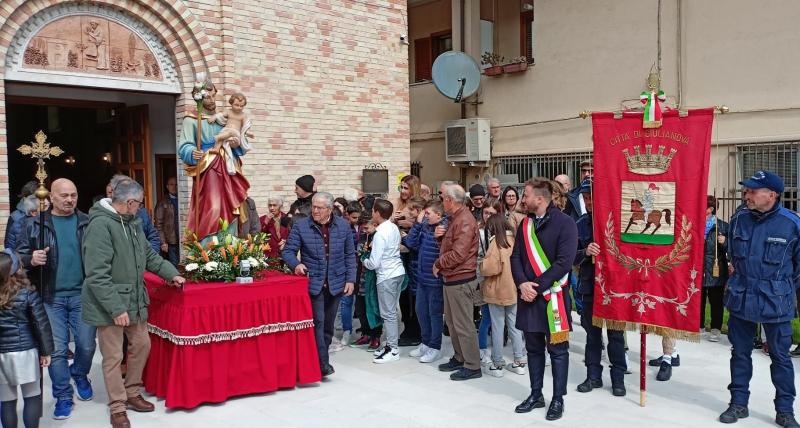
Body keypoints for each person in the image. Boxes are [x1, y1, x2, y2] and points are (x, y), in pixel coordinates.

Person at [82, 179, 184, 428]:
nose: (140, 207)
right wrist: (116, 308)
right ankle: (117, 406)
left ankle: (132, 392)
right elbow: (96, 274)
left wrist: (171, 273)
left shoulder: (133, 223)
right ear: (129, 202)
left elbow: (148, 255)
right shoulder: (100, 226)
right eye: (139, 203)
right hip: (109, 304)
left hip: (135, 299)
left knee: (142, 344)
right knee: (113, 356)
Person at [719, 171, 800, 427]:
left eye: (753, 191)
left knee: (781, 358)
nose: (747, 195)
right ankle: (738, 403)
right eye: (747, 191)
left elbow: (798, 268)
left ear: (772, 195)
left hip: (776, 300)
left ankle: (785, 411)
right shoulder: (739, 219)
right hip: (742, 296)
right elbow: (732, 253)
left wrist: (782, 288)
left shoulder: (791, 224)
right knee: (739, 354)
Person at [16, 179, 95, 420]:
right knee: (57, 350)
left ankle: (80, 374)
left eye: (74, 194)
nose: (70, 199)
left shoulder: (87, 222)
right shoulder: (34, 224)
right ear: (51, 197)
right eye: (64, 195)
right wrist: (31, 259)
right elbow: (16, 256)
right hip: (51, 298)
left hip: (83, 294)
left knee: (87, 345)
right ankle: (62, 394)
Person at [511, 178, 577, 421]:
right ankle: (536, 393)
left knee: (558, 351)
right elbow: (515, 257)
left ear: (539, 198)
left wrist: (535, 287)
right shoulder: (525, 224)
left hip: (553, 299)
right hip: (529, 297)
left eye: (526, 195)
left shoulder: (565, 223)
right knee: (533, 349)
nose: (522, 199)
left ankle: (558, 398)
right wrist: (521, 283)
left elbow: (564, 262)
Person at [282, 192, 356, 377]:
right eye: (313, 206)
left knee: (328, 326)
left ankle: (319, 360)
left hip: (337, 282)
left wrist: (351, 279)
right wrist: (296, 264)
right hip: (314, 282)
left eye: (319, 208)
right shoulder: (301, 226)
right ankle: (322, 364)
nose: (315, 210)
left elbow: (350, 255)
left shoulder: (343, 226)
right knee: (318, 322)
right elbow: (288, 252)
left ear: (330, 209)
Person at [573, 179, 626, 397]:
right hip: (589, 288)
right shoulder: (580, 224)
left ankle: (618, 379)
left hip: (613, 289)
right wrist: (585, 252)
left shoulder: (618, 222)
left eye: (591, 197)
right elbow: (570, 258)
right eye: (585, 198)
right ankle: (593, 375)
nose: (587, 202)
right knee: (592, 336)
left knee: (615, 336)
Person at [178, 78, 250, 240]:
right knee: (213, 205)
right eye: (207, 97)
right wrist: (191, 152)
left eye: (213, 96)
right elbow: (184, 146)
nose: (211, 100)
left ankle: (229, 242)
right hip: (209, 166)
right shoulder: (191, 120)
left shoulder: (223, 118)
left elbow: (236, 139)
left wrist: (235, 143)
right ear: (199, 98)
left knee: (231, 204)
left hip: (228, 165)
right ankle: (209, 242)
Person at [434, 183, 482, 381]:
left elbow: (459, 254)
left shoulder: (464, 220)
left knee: (463, 324)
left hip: (461, 279)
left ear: (450, 200)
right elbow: (451, 246)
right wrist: (440, 238)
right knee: (453, 324)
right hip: (452, 277)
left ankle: (472, 365)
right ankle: (460, 356)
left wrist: (438, 263)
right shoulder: (455, 218)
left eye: (443, 197)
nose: (441, 200)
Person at [480, 213, 526, 378]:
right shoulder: (515, 240)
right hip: (514, 288)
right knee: (514, 327)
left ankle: (498, 363)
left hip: (497, 290)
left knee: (498, 327)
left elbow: (491, 268)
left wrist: (481, 264)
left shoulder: (496, 243)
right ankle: (519, 361)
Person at [363, 199, 405, 363]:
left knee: (388, 314)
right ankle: (389, 345)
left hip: (386, 275)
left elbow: (374, 263)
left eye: (373, 210)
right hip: (397, 272)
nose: (372, 213)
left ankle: (393, 349)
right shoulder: (393, 227)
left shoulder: (380, 234)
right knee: (392, 312)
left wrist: (363, 261)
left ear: (377, 213)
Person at [402, 199, 445, 363]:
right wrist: (418, 224)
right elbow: (411, 242)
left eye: (427, 213)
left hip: (435, 280)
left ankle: (435, 346)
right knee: (421, 311)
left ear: (438, 214)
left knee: (434, 314)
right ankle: (425, 342)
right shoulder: (426, 226)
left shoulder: (443, 228)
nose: (425, 216)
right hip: (421, 278)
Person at [350, 218, 383, 351]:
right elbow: (359, 253)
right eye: (363, 228)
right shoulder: (363, 237)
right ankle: (366, 333)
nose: (364, 231)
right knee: (360, 309)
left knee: (373, 308)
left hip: (373, 279)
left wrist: (365, 254)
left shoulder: (379, 237)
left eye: (367, 228)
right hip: (360, 277)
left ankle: (376, 336)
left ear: (375, 225)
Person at [106, 175, 161, 253]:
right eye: (110, 192)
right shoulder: (104, 221)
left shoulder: (143, 213)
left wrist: (147, 260)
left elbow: (153, 237)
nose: (113, 195)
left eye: (116, 192)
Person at [337, 202, 364, 347]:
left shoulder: (364, 225)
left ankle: (367, 331)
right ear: (347, 215)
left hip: (363, 268)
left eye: (358, 217)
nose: (356, 220)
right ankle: (347, 330)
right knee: (346, 301)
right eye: (354, 217)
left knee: (362, 302)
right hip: (347, 268)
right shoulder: (341, 226)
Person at [702, 195, 728, 342]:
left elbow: (732, 248)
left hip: (716, 268)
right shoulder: (693, 223)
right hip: (698, 267)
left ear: (710, 209)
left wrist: (725, 241)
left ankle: (715, 329)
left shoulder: (723, 226)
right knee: (698, 299)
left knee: (716, 300)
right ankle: (697, 326)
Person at [4, 181, 38, 251]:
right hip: (21, 259)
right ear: (25, 198)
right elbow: (9, 245)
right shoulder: (15, 216)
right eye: (35, 198)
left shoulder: (47, 213)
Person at [154, 177, 179, 267]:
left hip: (182, 240)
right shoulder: (162, 202)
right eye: (172, 184)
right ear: (167, 187)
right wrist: (163, 242)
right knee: (174, 266)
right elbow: (158, 224)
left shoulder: (182, 200)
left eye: (176, 184)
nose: (174, 187)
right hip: (170, 241)